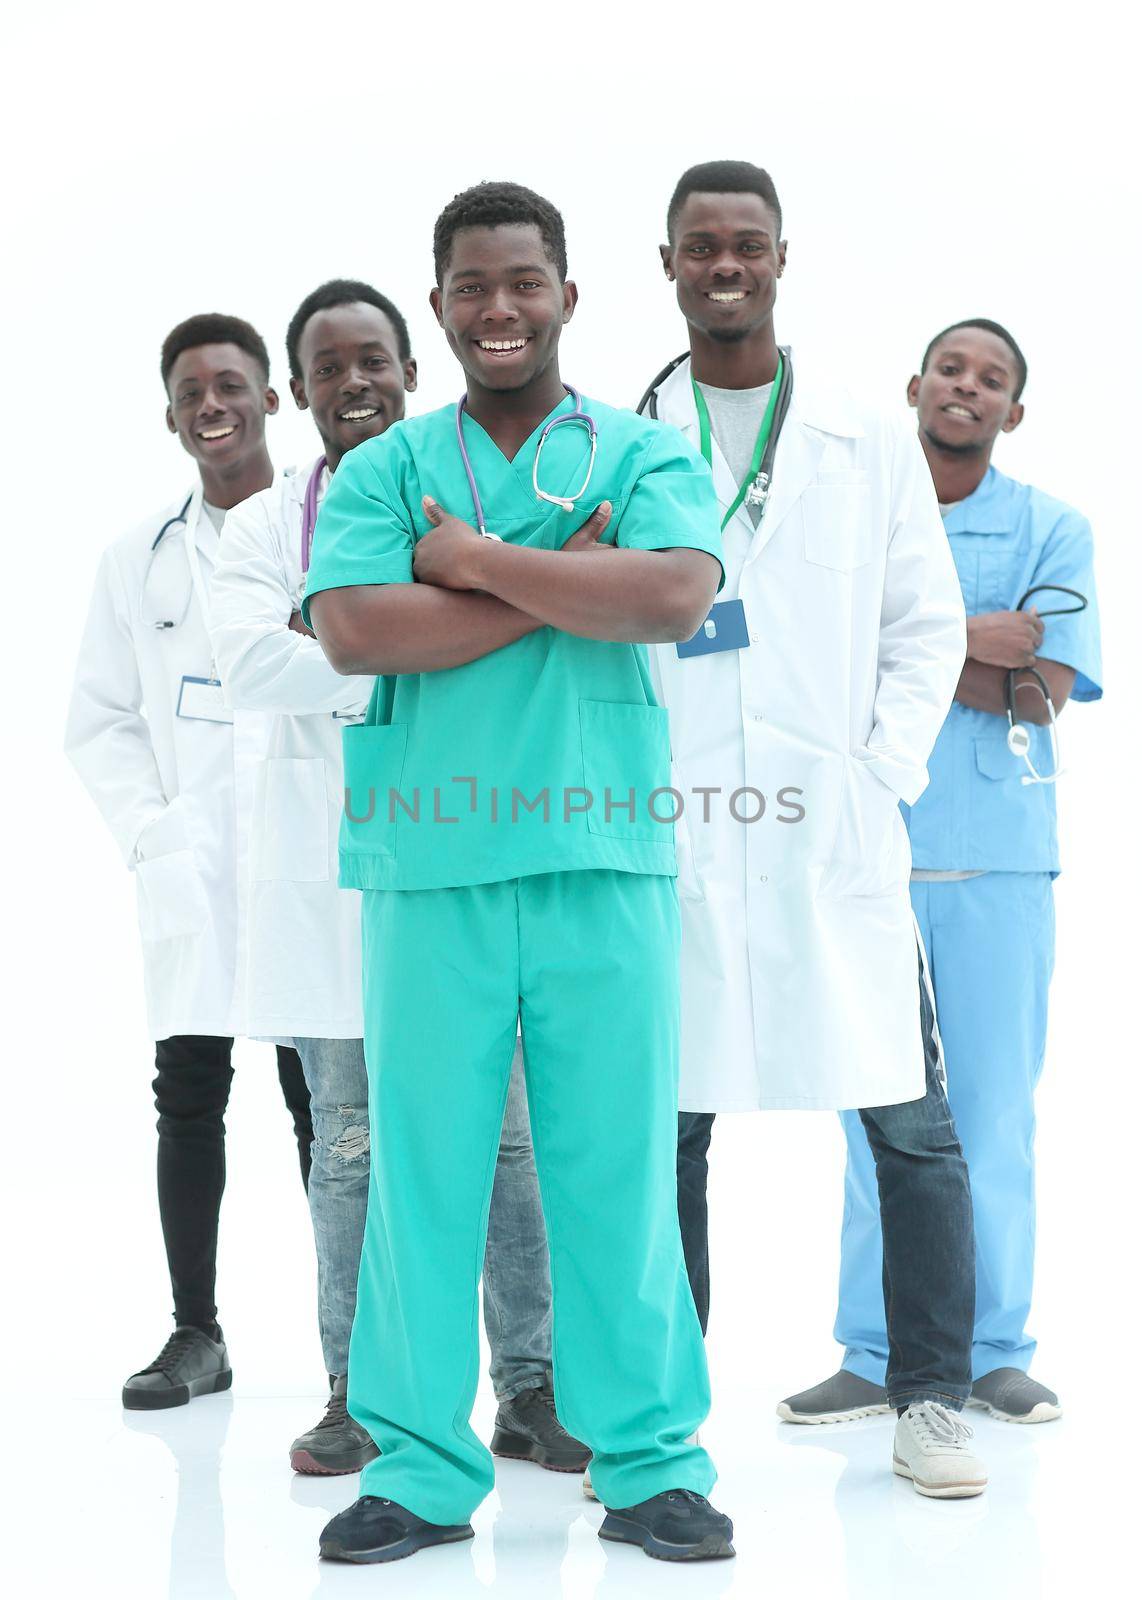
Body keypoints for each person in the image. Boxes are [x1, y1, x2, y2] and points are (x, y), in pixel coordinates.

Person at [305, 181, 734, 1564]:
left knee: (613, 1167)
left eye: (524, 282)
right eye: (472, 287)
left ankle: (652, 1461)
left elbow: (672, 595)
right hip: (432, 863)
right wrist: (561, 578)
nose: (500, 309)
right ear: (439, 307)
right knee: (421, 1174)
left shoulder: (635, 444)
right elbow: (362, 630)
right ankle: (422, 1472)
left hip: (600, 853)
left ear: (565, 295)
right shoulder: (383, 468)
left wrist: (475, 565)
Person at [641, 161, 987, 1498]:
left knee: (908, 1123)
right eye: (698, 249)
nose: (722, 267)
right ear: (665, 264)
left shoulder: (856, 433)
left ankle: (930, 1402)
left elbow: (925, 624)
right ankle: (657, 1419)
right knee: (661, 1126)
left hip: (836, 835)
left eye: (745, 246)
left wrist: (875, 778)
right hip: (677, 830)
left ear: (780, 258)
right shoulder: (620, 439)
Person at [209, 278, 584, 1477]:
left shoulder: (473, 490)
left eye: (372, 357)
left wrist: (398, 627)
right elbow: (251, 667)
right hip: (327, 879)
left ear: (408, 366)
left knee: (510, 1142)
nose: (354, 381)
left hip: (466, 852)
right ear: (301, 389)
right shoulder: (264, 526)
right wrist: (425, 640)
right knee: (351, 1143)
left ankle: (529, 1388)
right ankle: (355, 1391)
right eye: (328, 367)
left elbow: (538, 628)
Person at [825, 319, 1102, 1424]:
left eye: (991, 379)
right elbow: (821, 670)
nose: (966, 387)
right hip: (868, 862)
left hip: (994, 865)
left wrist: (908, 644)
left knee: (990, 1117)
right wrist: (969, 638)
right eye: (951, 368)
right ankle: (870, 1348)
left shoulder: (1050, 528)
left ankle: (990, 1347)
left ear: (1011, 413)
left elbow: (1046, 687)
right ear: (913, 386)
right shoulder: (855, 527)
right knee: (871, 1121)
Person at [65, 314, 313, 1409]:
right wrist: (151, 833)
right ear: (170, 416)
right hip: (199, 866)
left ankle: (353, 1350)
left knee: (329, 1106)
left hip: (312, 855)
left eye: (230, 384)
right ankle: (195, 1331)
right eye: (189, 391)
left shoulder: (327, 521)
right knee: (188, 1094)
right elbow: (101, 718)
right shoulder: (137, 559)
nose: (210, 404)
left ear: (272, 398)